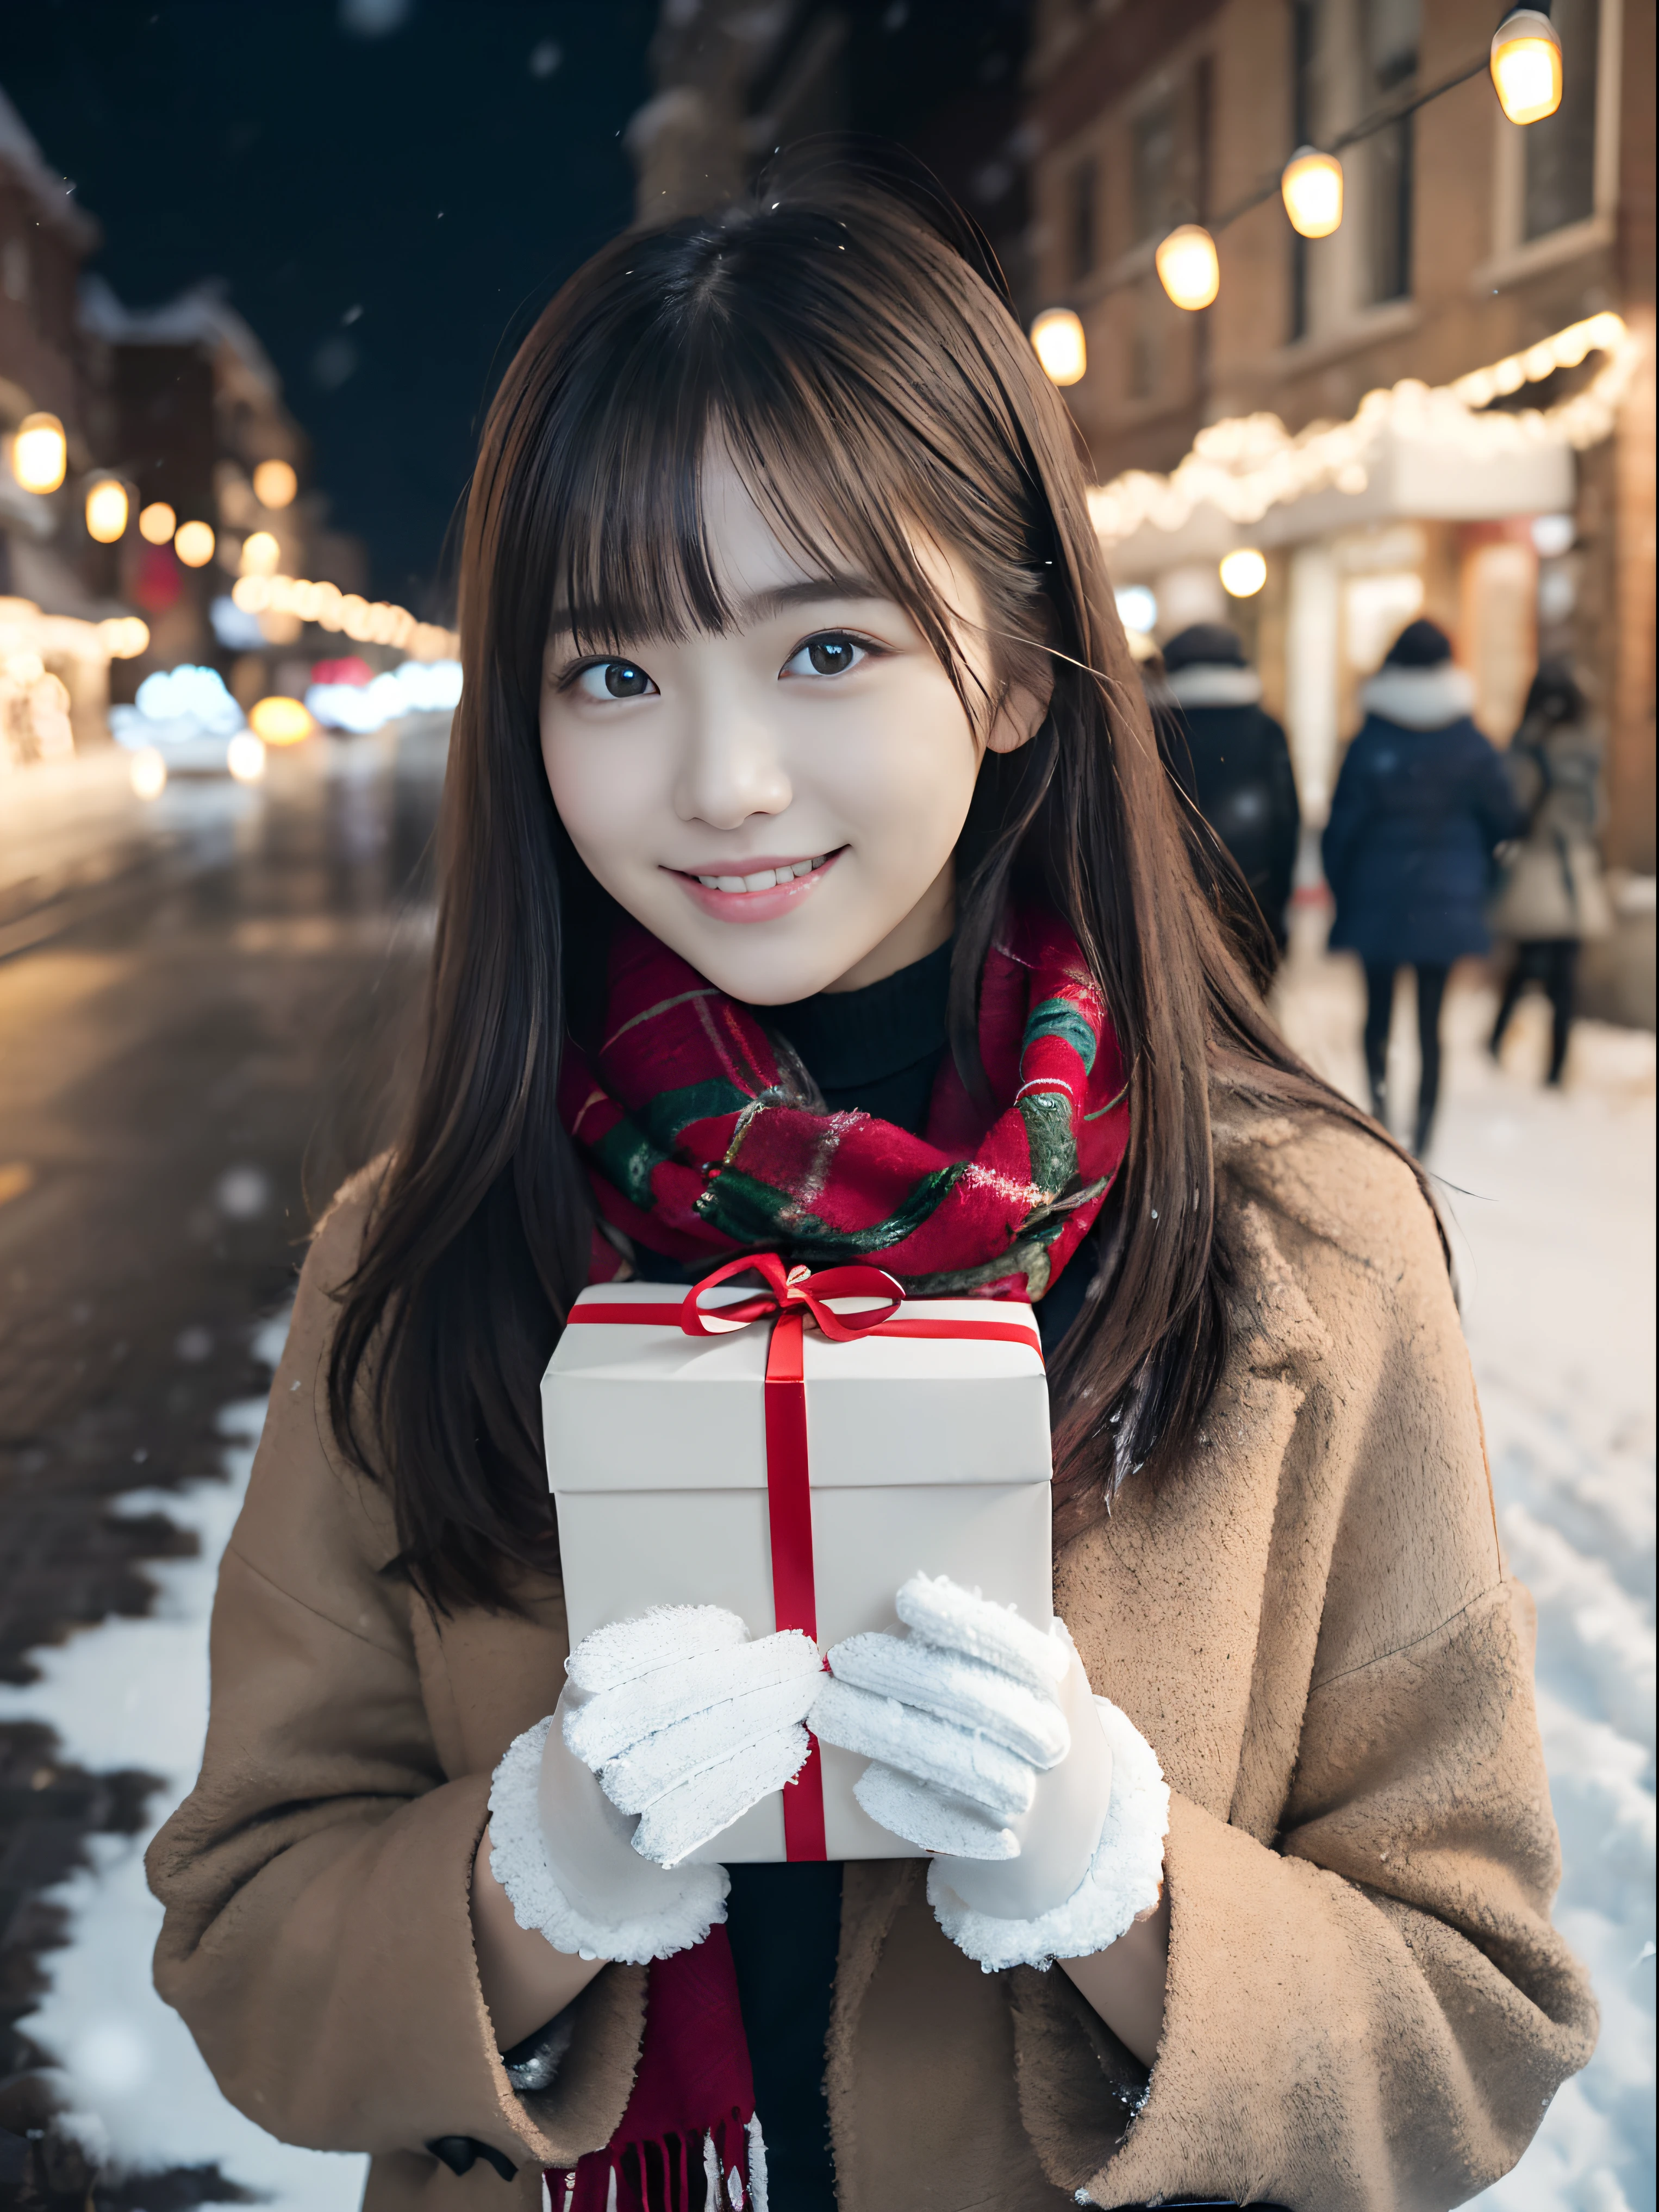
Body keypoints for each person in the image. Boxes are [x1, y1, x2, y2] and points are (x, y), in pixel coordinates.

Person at [145, 167, 1592, 2212]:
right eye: (617, 677)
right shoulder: (430, 1251)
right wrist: (527, 1876)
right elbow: (243, 1937)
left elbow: (1476, 2028)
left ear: (1011, 674)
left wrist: (1123, 1885)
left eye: (824, 647)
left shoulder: (1299, 1256)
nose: (723, 780)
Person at [1323, 617, 1523, 1154]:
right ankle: (1425, 1130)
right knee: (1432, 1024)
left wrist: (1343, 888)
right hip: (1445, 899)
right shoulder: (1470, 740)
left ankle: (1382, 1115)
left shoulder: (1372, 738)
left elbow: (1341, 826)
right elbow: (1506, 818)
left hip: (1376, 894)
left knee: (1378, 1015)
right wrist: (1477, 877)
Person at [1488, 661, 1612, 1085]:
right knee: (1564, 975)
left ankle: (1496, 1040)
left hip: (1538, 868)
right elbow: (1599, 815)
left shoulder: (1529, 749)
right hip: (1574, 870)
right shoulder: (1587, 750)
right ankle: (1556, 1067)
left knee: (1524, 966)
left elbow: (1512, 809)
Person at [1157, 622, 1300, 957]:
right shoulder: (1266, 729)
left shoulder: (1153, 727)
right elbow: (1286, 820)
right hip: (1254, 893)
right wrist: (1280, 902)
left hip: (1172, 897)